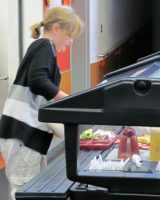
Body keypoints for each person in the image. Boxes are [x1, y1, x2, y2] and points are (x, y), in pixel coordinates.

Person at [0, 6, 84, 200]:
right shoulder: (45, 45)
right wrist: (69, 99)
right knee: (24, 191)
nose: (70, 42)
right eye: (69, 35)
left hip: (27, 136)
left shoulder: (43, 48)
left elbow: (41, 94)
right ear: (56, 28)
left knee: (36, 189)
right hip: (22, 135)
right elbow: (38, 81)